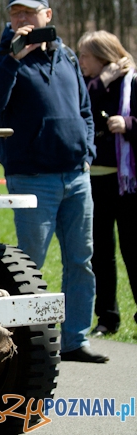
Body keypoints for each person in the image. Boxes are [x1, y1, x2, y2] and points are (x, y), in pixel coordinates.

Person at [0, 0, 106, 363]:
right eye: (15, 13)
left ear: (47, 16)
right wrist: (14, 60)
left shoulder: (66, 56)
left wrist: (87, 151)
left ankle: (75, 339)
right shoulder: (3, 57)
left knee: (81, 260)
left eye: (29, 13)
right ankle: (24, 346)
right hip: (33, 179)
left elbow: (84, 108)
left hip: (75, 175)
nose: (22, 19)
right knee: (29, 265)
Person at [78, 30, 137, 336]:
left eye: (85, 55)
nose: (81, 61)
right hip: (95, 181)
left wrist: (127, 124)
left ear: (102, 56)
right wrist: (101, 82)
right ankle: (107, 318)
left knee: (133, 251)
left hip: (127, 185)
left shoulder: (133, 83)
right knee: (101, 254)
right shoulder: (91, 85)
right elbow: (81, 106)